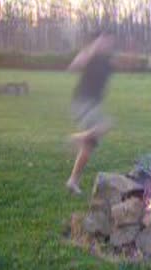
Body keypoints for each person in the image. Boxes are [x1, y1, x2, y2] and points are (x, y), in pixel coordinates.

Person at [65, 31, 116, 194]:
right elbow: (73, 67)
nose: (108, 44)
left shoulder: (107, 63)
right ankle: (76, 137)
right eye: (104, 41)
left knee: (88, 147)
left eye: (110, 42)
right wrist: (92, 48)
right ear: (97, 41)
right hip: (82, 102)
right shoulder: (89, 55)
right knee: (107, 124)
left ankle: (72, 181)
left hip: (94, 105)